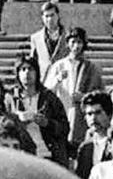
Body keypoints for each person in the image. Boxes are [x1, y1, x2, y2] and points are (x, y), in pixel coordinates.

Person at [45, 28, 105, 156]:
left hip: (82, 117)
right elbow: (47, 90)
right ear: (67, 44)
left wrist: (84, 97)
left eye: (79, 42)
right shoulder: (59, 65)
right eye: (73, 42)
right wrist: (58, 79)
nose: (76, 46)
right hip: (63, 112)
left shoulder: (91, 68)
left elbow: (101, 94)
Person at [11, 52, 70, 166]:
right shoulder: (11, 98)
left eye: (30, 69)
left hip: (47, 153)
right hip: (20, 155)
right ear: (17, 74)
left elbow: (64, 128)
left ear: (37, 73)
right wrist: (17, 120)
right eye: (23, 69)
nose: (27, 73)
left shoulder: (49, 97)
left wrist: (47, 123)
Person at [29, 0, 70, 80]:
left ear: (58, 16)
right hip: (44, 80)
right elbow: (33, 62)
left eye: (52, 15)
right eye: (46, 16)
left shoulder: (68, 36)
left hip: (64, 80)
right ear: (42, 18)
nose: (50, 19)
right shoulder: (36, 38)